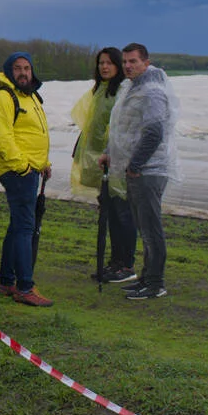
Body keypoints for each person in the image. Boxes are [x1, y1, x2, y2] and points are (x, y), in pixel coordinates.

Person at [101, 43, 179, 302]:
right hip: (134, 169)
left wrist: (136, 164)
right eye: (125, 61)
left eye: (133, 61)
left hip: (148, 170)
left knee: (151, 228)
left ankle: (156, 283)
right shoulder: (131, 88)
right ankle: (146, 278)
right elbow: (122, 127)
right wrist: (110, 152)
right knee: (144, 228)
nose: (127, 66)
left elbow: (154, 132)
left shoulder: (152, 92)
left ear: (146, 62)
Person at [0, 52, 53, 307]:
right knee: (25, 227)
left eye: (27, 68)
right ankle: (25, 287)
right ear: (8, 71)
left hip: (30, 169)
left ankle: (7, 281)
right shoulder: (3, 97)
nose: (24, 73)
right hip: (17, 171)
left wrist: (43, 163)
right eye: (18, 68)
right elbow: (2, 138)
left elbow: (32, 134)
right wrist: (23, 167)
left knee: (18, 226)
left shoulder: (30, 96)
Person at [70, 47, 137, 284]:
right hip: (101, 160)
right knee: (109, 214)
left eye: (109, 63)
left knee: (122, 213)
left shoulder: (122, 91)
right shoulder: (100, 90)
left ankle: (126, 264)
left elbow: (123, 127)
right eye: (101, 63)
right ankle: (115, 262)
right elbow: (92, 124)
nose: (104, 67)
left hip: (117, 161)